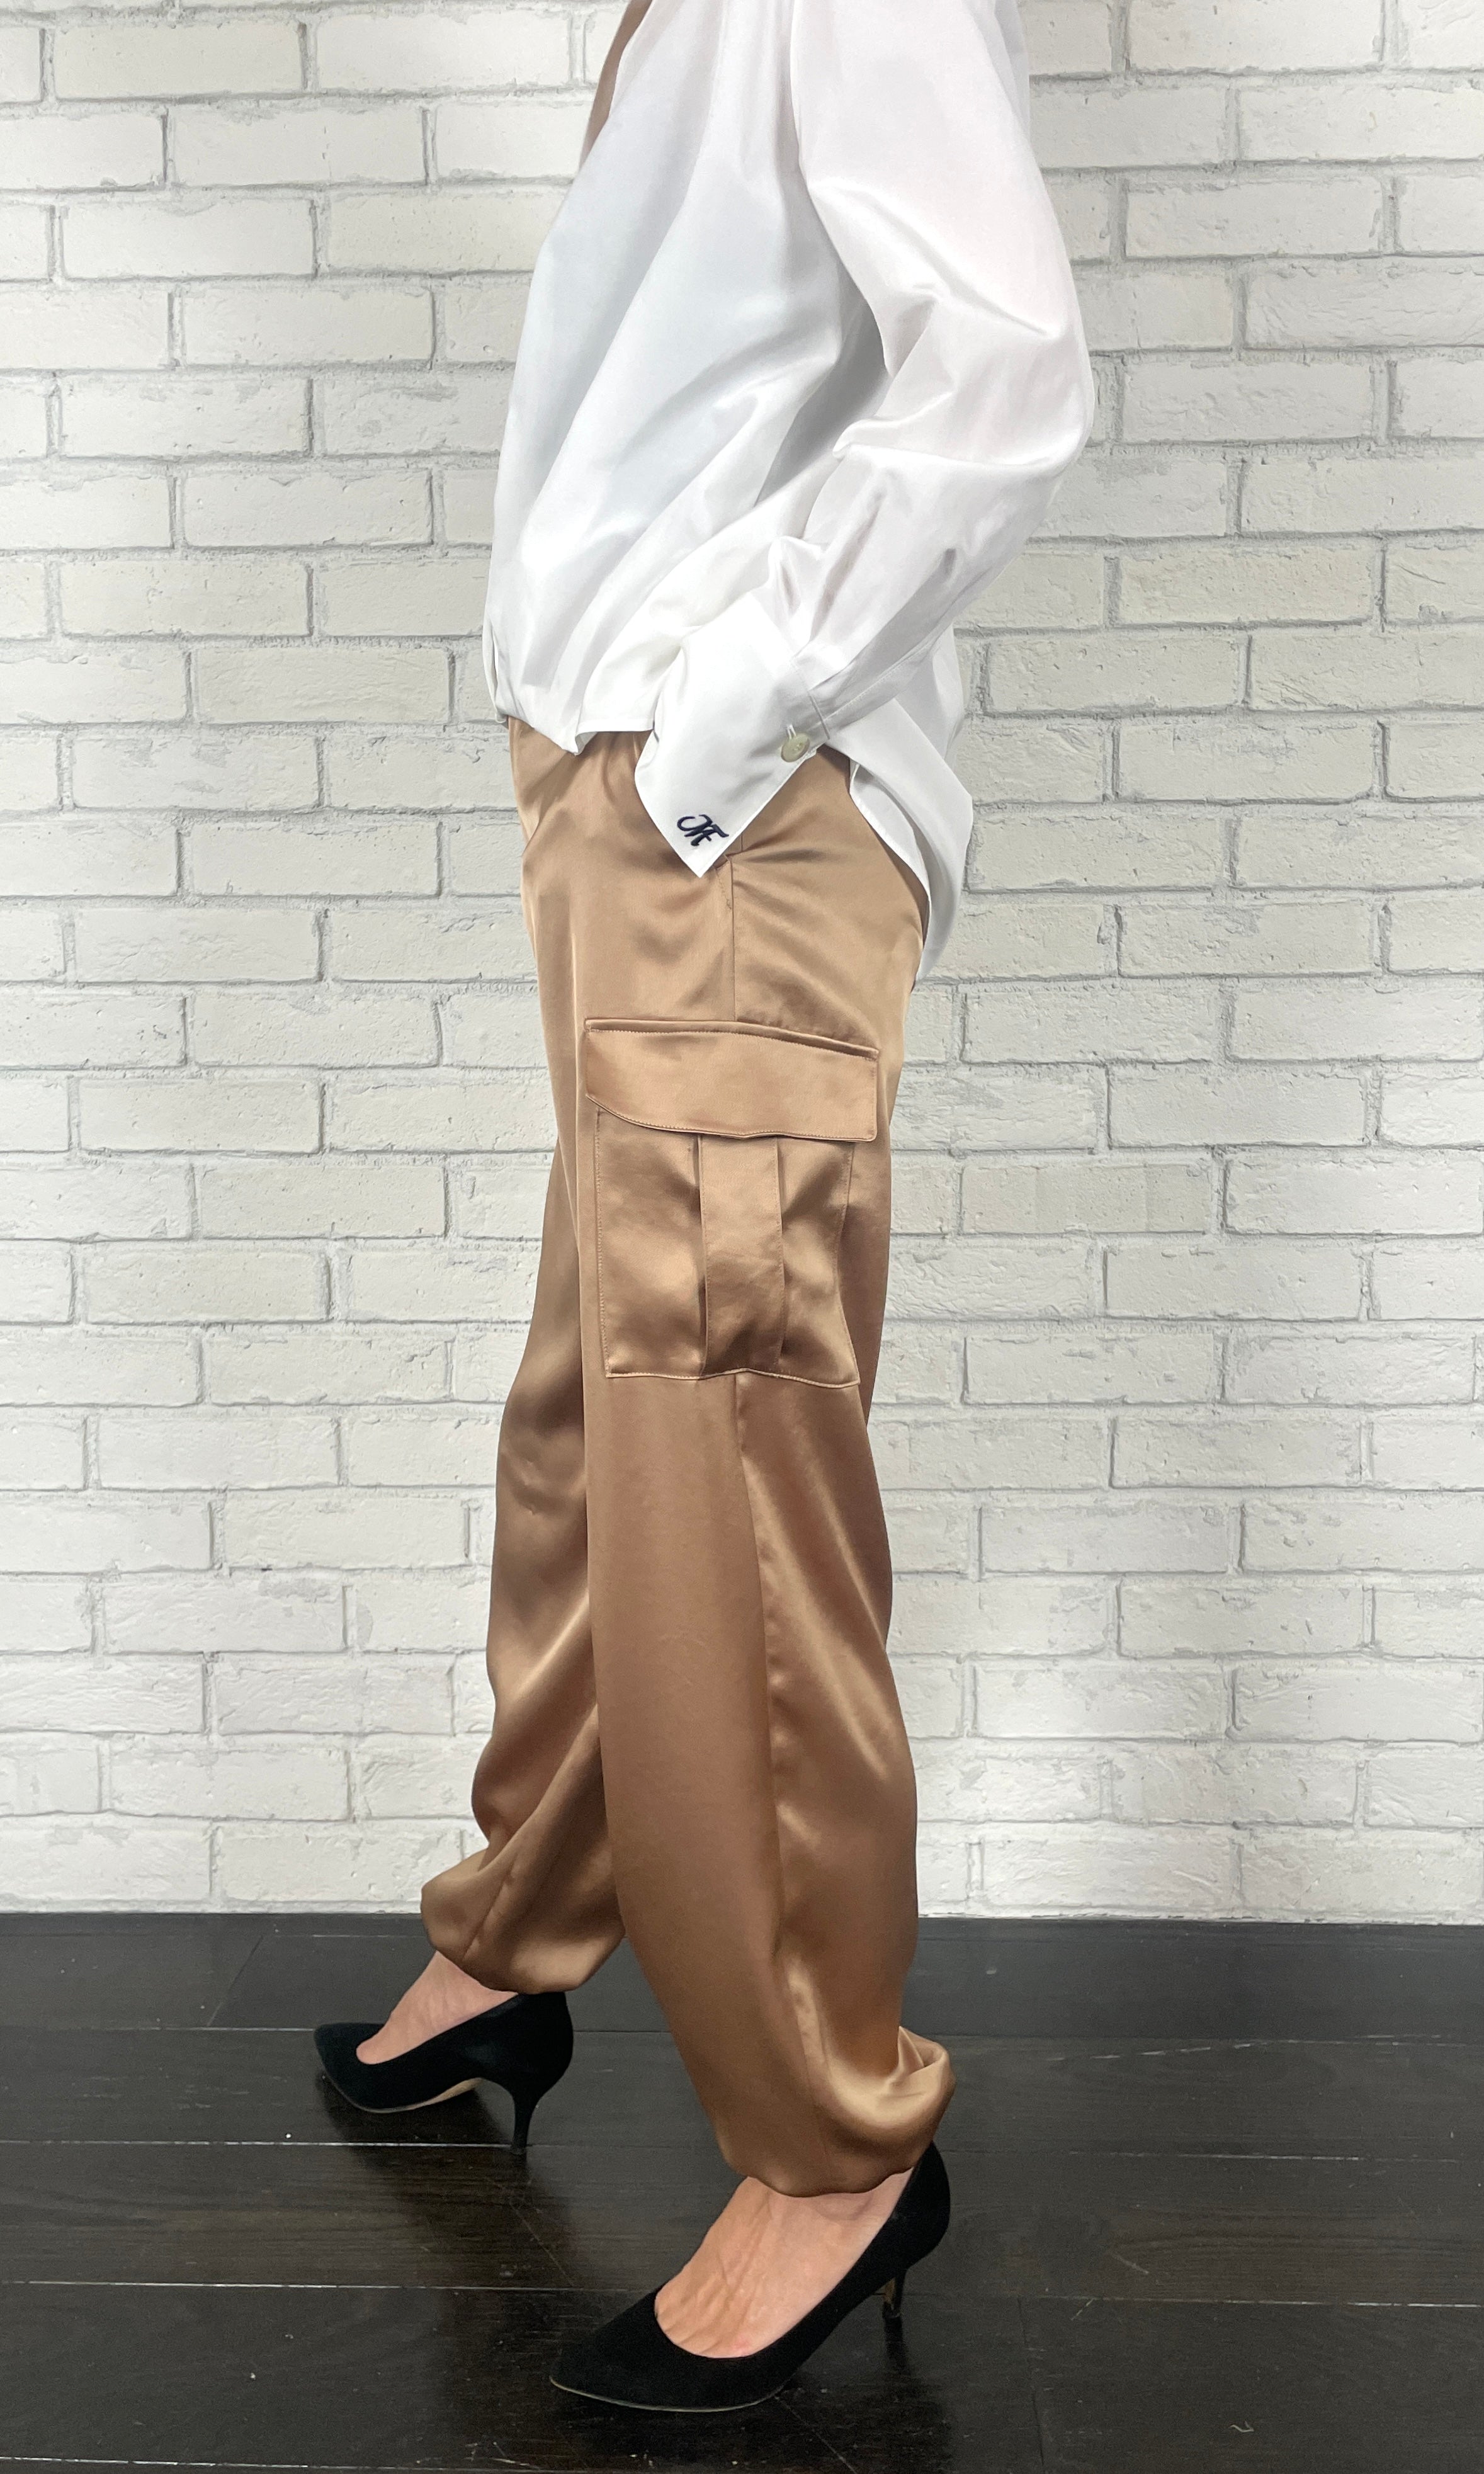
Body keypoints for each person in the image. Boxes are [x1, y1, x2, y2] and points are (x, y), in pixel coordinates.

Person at [315, 0, 1092, 2414]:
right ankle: (517, 1930)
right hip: (642, 799)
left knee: (724, 1457)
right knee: (601, 1414)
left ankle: (830, 2142)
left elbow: (1007, 365)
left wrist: (720, 716)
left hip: (729, 814)